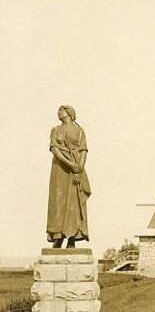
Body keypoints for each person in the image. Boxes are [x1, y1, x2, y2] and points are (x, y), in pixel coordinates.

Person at [46, 105, 91, 248]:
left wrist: (79, 169)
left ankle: (72, 237)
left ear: (69, 113)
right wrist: (70, 164)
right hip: (60, 169)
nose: (58, 112)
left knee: (74, 202)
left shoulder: (79, 131)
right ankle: (58, 236)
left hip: (76, 169)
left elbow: (83, 150)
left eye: (61, 110)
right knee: (58, 202)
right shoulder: (55, 130)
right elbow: (55, 149)